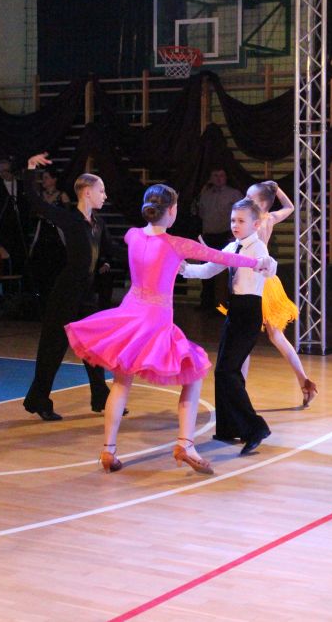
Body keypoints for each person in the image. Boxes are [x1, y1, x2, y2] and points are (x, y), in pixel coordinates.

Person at [65, 183, 276, 474]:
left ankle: (108, 450)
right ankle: (185, 444)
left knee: (121, 383)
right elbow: (223, 258)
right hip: (156, 322)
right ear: (173, 210)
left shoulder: (132, 235)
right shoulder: (177, 244)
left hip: (129, 316)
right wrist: (257, 262)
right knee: (194, 373)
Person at [19, 154, 121, 421]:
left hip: (86, 294)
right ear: (87, 192)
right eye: (101, 191)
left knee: (93, 347)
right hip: (65, 294)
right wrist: (30, 169)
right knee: (53, 349)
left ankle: (101, 397)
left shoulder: (98, 223)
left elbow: (113, 250)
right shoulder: (69, 219)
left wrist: (149, 250)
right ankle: (39, 400)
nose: (105, 195)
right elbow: (36, 202)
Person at [181, 198, 273, 455]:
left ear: (255, 224)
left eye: (241, 221)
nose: (235, 225)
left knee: (227, 371)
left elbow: (269, 266)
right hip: (235, 313)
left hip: (248, 314)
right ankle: (229, 427)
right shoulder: (232, 246)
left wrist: (267, 265)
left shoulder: (258, 247)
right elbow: (209, 270)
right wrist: (185, 269)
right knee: (224, 371)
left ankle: (255, 428)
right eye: (233, 220)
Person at [244, 181, 318, 406]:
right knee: (274, 336)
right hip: (265, 281)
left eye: (250, 198)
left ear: (262, 204)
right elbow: (290, 207)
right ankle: (304, 381)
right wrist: (277, 190)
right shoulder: (268, 218)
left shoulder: (255, 223)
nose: (245, 200)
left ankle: (238, 393)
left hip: (257, 283)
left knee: (245, 338)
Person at [195, 168, 242, 311]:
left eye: (222, 175)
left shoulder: (234, 194)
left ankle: (223, 305)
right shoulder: (205, 194)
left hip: (226, 236)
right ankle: (206, 304)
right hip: (208, 236)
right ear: (210, 178)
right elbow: (200, 214)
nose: (219, 178)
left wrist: (236, 236)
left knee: (224, 273)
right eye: (215, 175)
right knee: (206, 270)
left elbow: (242, 215)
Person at [28, 166, 70, 306]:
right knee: (40, 266)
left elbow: (67, 217)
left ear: (54, 179)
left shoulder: (62, 196)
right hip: (42, 234)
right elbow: (32, 215)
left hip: (56, 236)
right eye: (43, 178)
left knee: (56, 267)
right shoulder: (40, 196)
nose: (43, 181)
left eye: (46, 178)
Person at [0, 158, 29, 275]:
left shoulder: (21, 185)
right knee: (5, 255)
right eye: (0, 172)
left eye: (5, 170)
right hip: (4, 227)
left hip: (20, 225)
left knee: (20, 255)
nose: (3, 174)